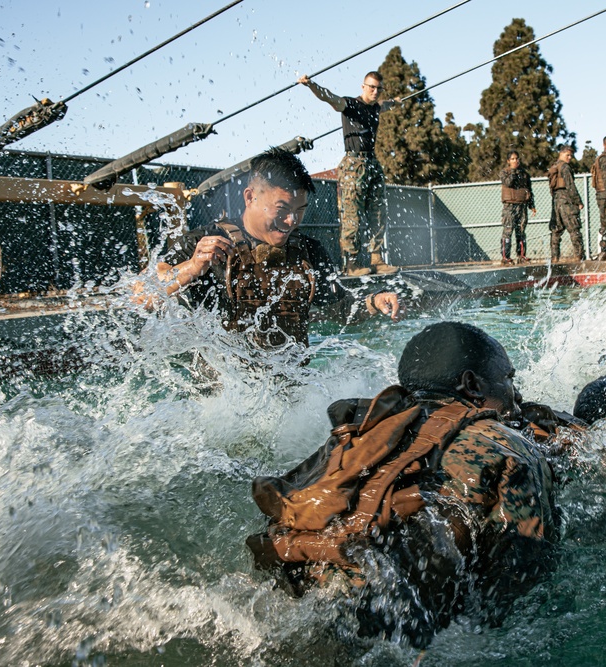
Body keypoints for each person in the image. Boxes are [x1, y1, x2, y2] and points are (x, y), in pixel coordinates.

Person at [246, 321, 559, 647]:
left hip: (299, 616)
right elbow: (524, 586)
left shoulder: (355, 438)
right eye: (508, 379)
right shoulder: (504, 445)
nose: (518, 394)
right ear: (472, 385)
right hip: (406, 633)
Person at [157, 148, 400, 348]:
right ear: (251, 197)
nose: (291, 221)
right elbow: (140, 295)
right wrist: (191, 267)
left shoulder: (308, 251)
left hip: (290, 388)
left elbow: (341, 309)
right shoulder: (205, 244)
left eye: (299, 210)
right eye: (282, 210)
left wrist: (375, 301)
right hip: (219, 395)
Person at [298, 71, 400, 276]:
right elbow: (328, 97)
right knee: (351, 215)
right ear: (363, 87)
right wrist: (311, 85)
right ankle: (351, 263)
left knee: (378, 213)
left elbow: (386, 104)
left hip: (372, 163)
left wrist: (396, 102)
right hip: (353, 164)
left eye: (379, 88)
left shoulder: (377, 107)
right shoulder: (349, 105)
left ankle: (377, 258)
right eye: (371, 87)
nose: (375, 91)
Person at [547, 144, 585, 261]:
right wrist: (578, 201)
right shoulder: (565, 167)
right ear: (561, 153)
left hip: (556, 201)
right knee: (574, 229)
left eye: (570, 155)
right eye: (567, 155)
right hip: (566, 199)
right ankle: (579, 256)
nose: (569, 158)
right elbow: (570, 185)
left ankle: (555, 258)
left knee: (556, 231)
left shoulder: (554, 167)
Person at [499, 150, 536, 264]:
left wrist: (531, 205)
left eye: (517, 158)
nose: (516, 161)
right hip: (509, 206)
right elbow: (509, 183)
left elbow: (529, 190)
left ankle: (521, 256)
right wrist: (513, 171)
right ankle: (505, 257)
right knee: (508, 231)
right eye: (513, 159)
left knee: (521, 231)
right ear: (508, 161)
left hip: (522, 206)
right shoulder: (505, 172)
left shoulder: (524, 174)